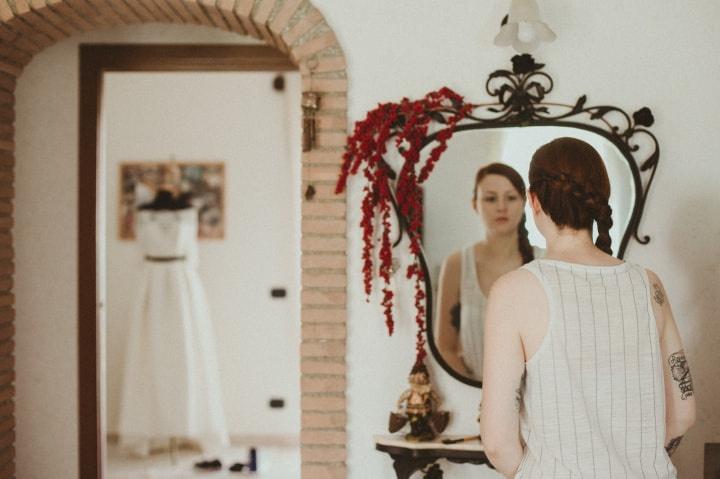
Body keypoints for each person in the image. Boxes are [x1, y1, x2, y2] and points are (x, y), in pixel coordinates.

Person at [480, 137, 696, 478]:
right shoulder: (648, 284)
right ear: (600, 198)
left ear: (533, 201)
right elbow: (683, 413)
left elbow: (496, 442)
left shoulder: (514, 290)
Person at [436, 163, 543, 380]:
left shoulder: (545, 261)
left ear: (525, 203)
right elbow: (445, 346)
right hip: (474, 401)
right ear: (475, 204)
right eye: (491, 198)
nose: (501, 207)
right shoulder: (457, 264)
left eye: (511, 198)